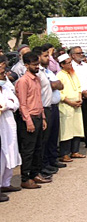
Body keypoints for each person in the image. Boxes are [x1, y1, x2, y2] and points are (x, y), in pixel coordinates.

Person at [16, 52, 49, 188]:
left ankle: (35, 173)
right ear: (26, 65)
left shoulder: (37, 79)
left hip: (38, 116)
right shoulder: (23, 81)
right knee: (28, 150)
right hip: (28, 119)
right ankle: (25, 178)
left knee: (38, 148)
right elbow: (22, 104)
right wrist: (28, 121)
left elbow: (38, 100)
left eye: (38, 64)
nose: (37, 67)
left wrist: (43, 117)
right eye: (34, 65)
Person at [34, 46, 63, 176]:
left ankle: (52, 160)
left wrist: (55, 84)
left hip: (54, 107)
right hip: (44, 108)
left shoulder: (48, 71)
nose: (48, 58)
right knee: (44, 139)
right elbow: (52, 85)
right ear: (38, 57)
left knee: (53, 136)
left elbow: (60, 85)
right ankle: (43, 164)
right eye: (46, 56)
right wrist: (55, 84)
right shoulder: (38, 72)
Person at [56, 54, 85, 163]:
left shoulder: (73, 73)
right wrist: (70, 102)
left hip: (76, 104)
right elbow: (60, 93)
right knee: (66, 130)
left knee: (77, 128)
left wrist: (80, 98)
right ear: (62, 65)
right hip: (66, 105)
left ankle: (75, 151)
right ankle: (64, 154)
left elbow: (78, 87)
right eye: (68, 63)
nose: (70, 64)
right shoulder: (59, 75)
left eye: (70, 62)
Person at [0, 64, 21, 199]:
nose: (5, 76)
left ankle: (5, 182)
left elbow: (15, 103)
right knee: (2, 156)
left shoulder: (5, 87)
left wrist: (7, 105)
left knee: (11, 151)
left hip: (8, 122)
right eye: (2, 73)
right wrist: (7, 105)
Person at [70, 46, 87, 149]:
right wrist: (81, 92)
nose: (81, 55)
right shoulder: (70, 67)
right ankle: (75, 143)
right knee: (76, 120)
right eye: (79, 53)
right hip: (76, 97)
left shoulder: (86, 66)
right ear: (73, 55)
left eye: (82, 53)